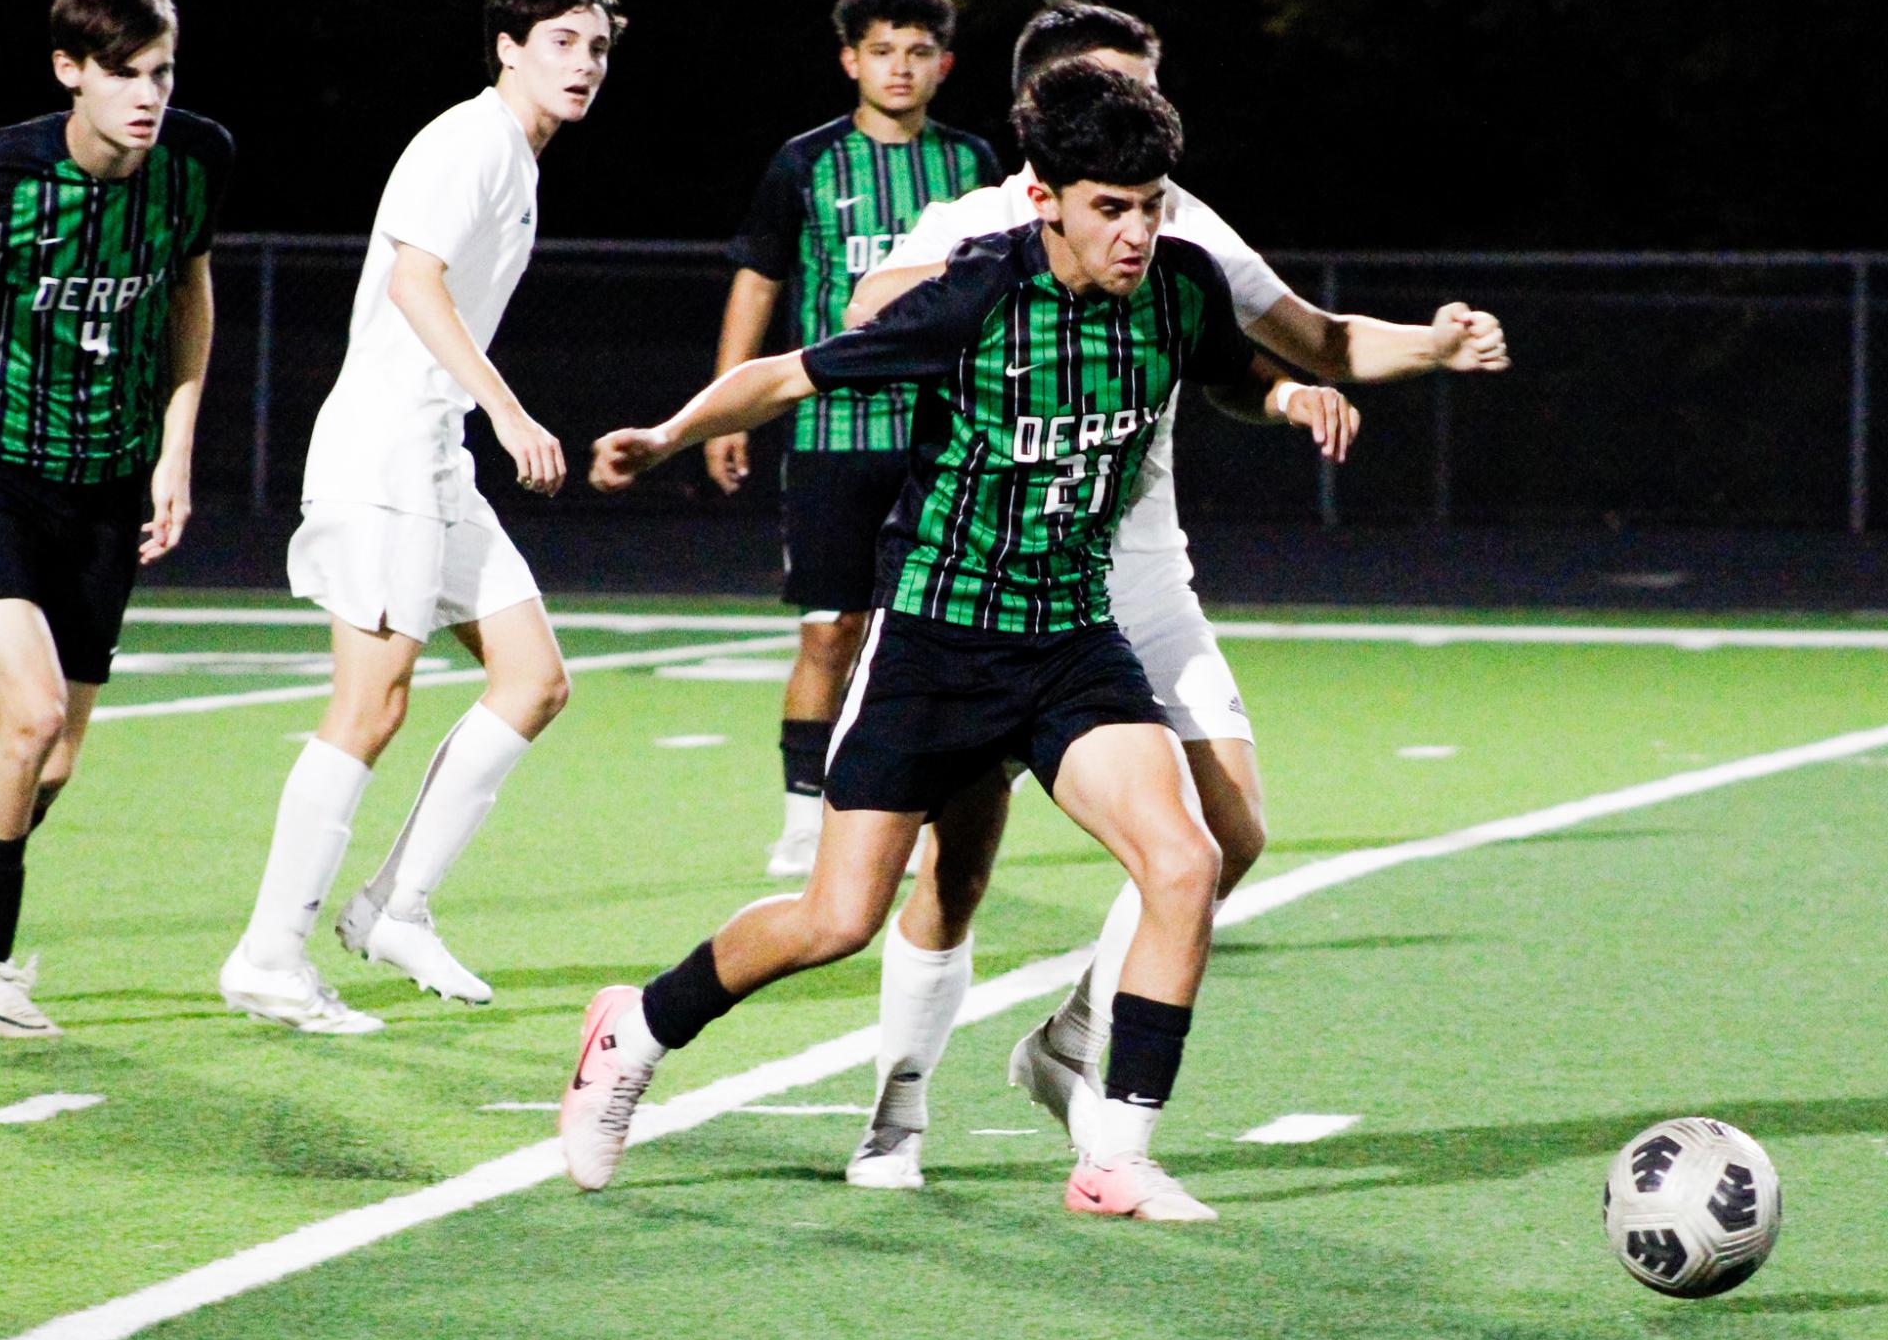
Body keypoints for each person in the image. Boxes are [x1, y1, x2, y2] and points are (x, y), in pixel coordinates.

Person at [569, 63, 1361, 1221]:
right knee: (836, 918)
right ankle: (634, 1026)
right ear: (1043, 195)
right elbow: (790, 372)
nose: (1137, 230)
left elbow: (1235, 373)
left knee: (1187, 862)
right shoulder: (976, 296)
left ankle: (1118, 1154)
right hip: (938, 642)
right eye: (1110, 206)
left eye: (1152, 203)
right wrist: (673, 432)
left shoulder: (1179, 285)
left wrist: (1290, 400)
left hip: (1072, 641)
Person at [838, 0, 1509, 1184]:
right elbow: (864, 318)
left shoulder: (1177, 224)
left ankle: (1074, 1042)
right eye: (1110, 92)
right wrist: (991, 293)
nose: (1139, 128)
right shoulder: (989, 221)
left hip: (1136, 576)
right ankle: (897, 1108)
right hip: (991, 576)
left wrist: (1426, 349)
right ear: (1044, 114)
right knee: (955, 867)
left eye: (1147, 91)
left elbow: (1315, 340)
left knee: (1225, 836)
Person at [217, 0, 621, 1034]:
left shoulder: (521, 157)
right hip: (386, 452)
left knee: (533, 677)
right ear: (508, 48)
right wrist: (507, 405)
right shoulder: (469, 139)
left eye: (597, 46)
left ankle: (396, 902)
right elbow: (413, 279)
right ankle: (267, 953)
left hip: (433, 454)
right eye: (561, 44)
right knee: (371, 704)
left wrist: (475, 418)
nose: (583, 64)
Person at [0, 0, 231, 1037]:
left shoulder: (195, 162)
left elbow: (191, 292)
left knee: (62, 753)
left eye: (162, 71)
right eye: (123, 72)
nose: (147, 94)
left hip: (109, 477)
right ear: (68, 71)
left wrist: (174, 448)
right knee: (27, 714)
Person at [704, 0, 999, 876]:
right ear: (849, 60)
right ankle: (802, 814)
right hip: (833, 435)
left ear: (944, 64)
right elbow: (759, 277)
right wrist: (727, 408)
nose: (900, 68)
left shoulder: (973, 165)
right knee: (829, 629)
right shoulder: (806, 162)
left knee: (915, 631)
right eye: (882, 52)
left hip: (939, 438)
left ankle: (890, 804)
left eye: (918, 52)